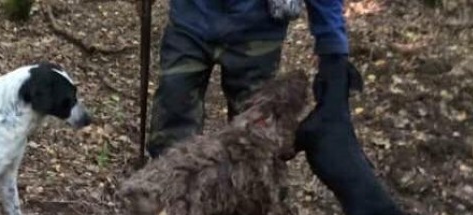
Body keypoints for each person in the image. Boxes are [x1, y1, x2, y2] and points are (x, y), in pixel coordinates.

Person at [144, 0, 349, 158]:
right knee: (172, 123)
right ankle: (166, 200)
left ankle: (245, 205)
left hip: (259, 32)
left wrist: (332, 45)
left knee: (254, 140)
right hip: (189, 22)